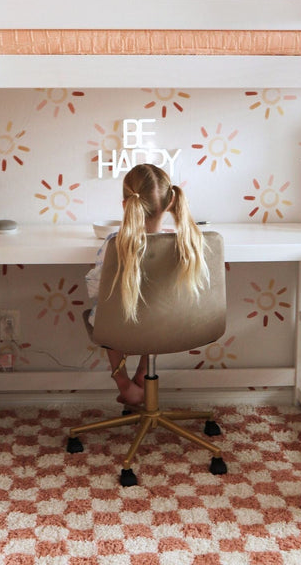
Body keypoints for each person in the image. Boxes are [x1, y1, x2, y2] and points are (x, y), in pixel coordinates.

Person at [85, 163, 209, 409]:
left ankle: (122, 382)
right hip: (171, 323)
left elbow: (97, 293)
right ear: (172, 201)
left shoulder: (113, 245)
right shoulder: (187, 241)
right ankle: (143, 371)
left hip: (120, 328)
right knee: (156, 311)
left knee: (105, 312)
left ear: (125, 205)